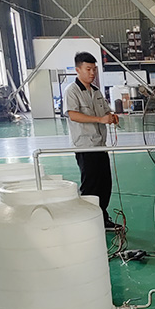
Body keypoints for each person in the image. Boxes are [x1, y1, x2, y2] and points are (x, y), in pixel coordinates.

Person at [64, 52, 120, 230]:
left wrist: (111, 117)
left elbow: (106, 111)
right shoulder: (72, 91)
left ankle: (102, 218)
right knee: (90, 186)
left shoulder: (96, 92)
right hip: (85, 147)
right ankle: (88, 221)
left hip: (100, 146)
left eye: (94, 69)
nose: (92, 73)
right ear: (78, 70)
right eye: (88, 69)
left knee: (105, 184)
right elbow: (73, 115)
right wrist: (99, 119)